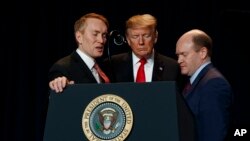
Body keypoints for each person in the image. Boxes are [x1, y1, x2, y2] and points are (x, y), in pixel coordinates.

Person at [103, 14, 196, 141]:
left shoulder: (172, 67)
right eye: (135, 37)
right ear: (128, 39)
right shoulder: (111, 65)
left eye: (146, 36)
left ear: (155, 37)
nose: (141, 42)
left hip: (160, 133)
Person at [175, 29, 233, 141]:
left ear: (203, 53)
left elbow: (214, 134)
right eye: (178, 55)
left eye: (184, 54)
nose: (179, 60)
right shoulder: (196, 81)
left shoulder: (214, 84)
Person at [48, 12, 110, 93]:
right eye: (95, 34)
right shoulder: (63, 68)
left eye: (104, 35)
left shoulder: (104, 67)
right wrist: (60, 83)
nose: (101, 40)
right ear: (79, 37)